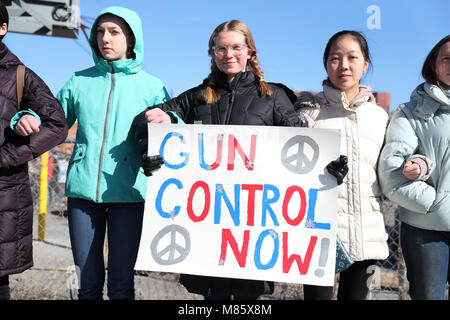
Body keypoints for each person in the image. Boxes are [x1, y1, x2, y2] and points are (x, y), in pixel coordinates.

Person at [132, 20, 348, 300]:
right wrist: (150, 149)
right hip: (207, 225)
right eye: (221, 48)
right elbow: (143, 122)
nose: (228, 54)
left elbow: (304, 147)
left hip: (254, 230)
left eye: (236, 47)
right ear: (212, 54)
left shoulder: (272, 96)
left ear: (250, 52)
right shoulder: (197, 97)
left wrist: (329, 167)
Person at [56, 6, 172, 300]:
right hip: (83, 195)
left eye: (114, 32)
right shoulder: (78, 81)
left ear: (131, 40)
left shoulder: (152, 86)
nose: (105, 38)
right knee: (88, 286)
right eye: (99, 32)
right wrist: (24, 117)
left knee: (121, 286)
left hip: (130, 195)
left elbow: (175, 127)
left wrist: (170, 128)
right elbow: (51, 120)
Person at [295, 30, 389, 300]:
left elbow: (389, 171)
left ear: (365, 64)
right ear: (326, 64)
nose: (344, 65)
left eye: (352, 57)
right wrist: (318, 175)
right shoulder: (307, 114)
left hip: (364, 233)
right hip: (316, 233)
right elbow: (288, 171)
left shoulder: (379, 117)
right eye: (335, 58)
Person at [0, 3, 68, 300]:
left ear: (2, 28)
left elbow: (57, 124)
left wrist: (6, 156)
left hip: (3, 194)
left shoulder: (19, 75)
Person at [378, 35, 450, 300]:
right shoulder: (410, 113)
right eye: (447, 58)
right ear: (433, 65)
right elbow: (391, 175)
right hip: (426, 228)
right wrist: (438, 204)